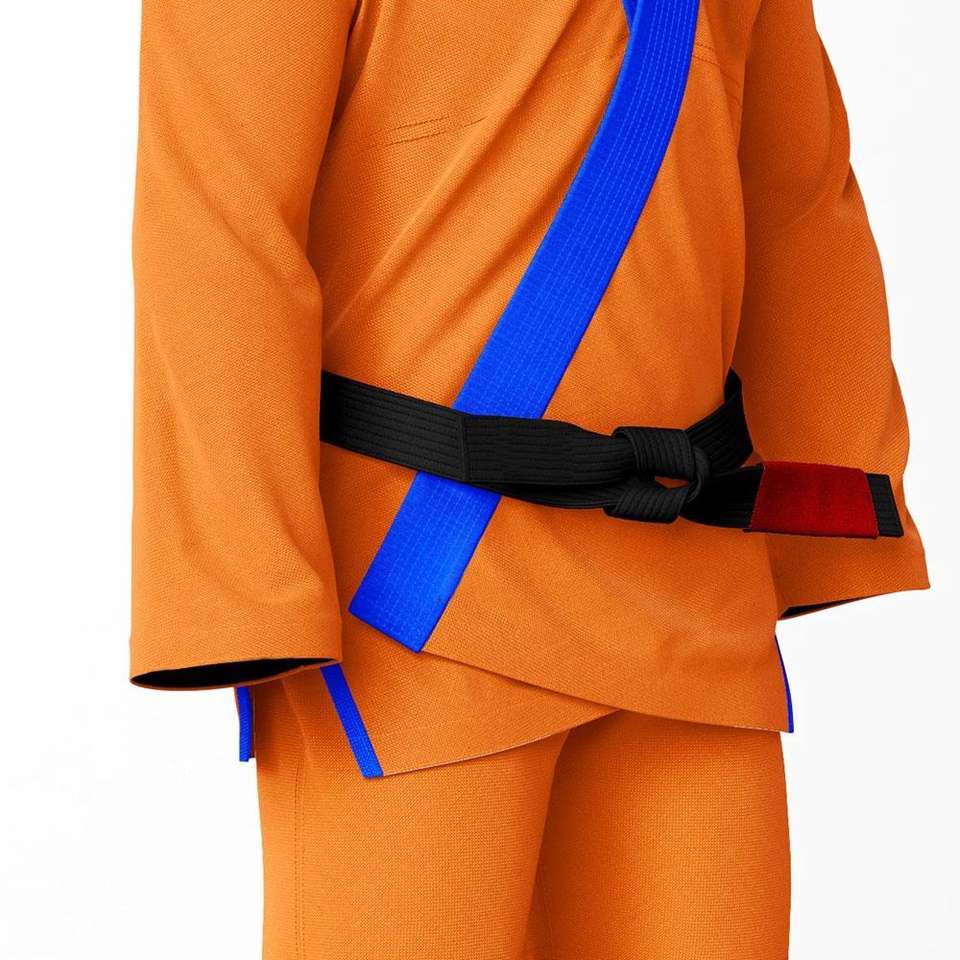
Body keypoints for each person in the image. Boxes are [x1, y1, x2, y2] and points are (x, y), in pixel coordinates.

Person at [130, 0, 928, 956]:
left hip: (692, 593)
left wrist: (824, 488)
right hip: (412, 605)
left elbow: (793, 183)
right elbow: (219, 220)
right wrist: (245, 580)